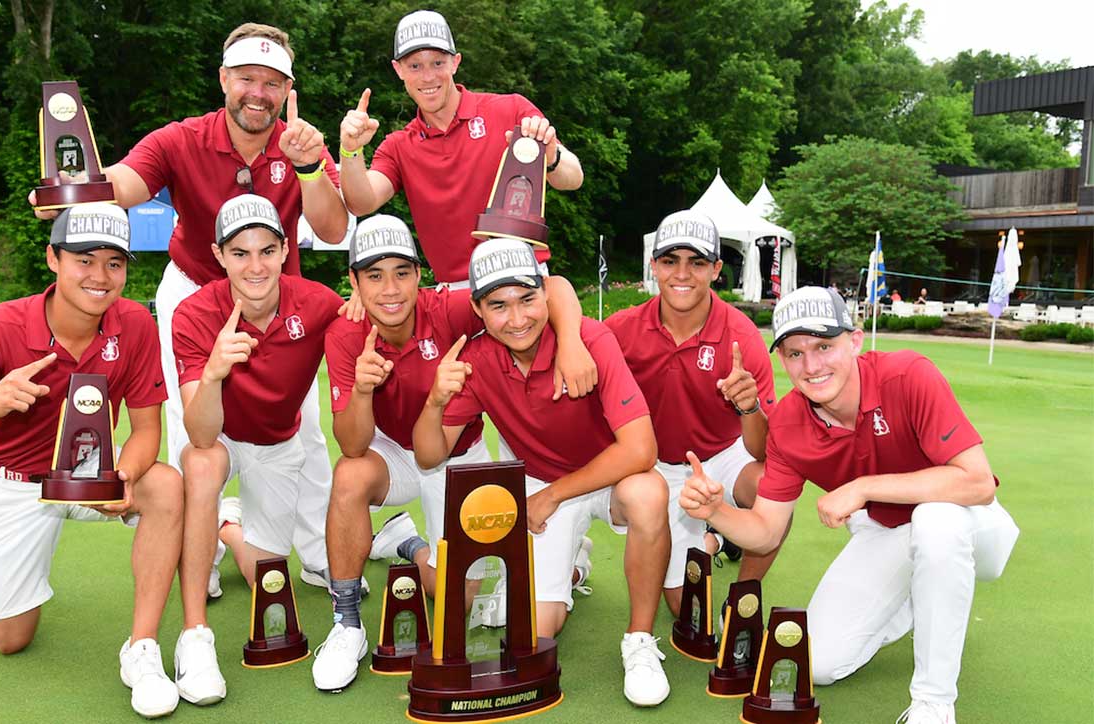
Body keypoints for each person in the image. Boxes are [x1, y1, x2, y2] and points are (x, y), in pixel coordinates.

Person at [27, 23, 347, 591]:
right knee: (189, 422)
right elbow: (125, 180)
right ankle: (202, 549)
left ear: (288, 89)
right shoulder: (181, 138)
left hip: (277, 290)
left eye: (273, 82)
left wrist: (310, 166)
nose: (259, 92)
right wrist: (73, 191)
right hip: (196, 288)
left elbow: (331, 225)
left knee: (306, 428)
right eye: (248, 77)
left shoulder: (301, 144)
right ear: (225, 80)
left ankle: (319, 555)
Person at [679, 286, 1019, 724]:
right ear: (781, 360)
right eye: (795, 353)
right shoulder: (787, 422)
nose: (812, 365)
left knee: (937, 521)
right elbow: (764, 531)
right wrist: (715, 512)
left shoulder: (908, 374)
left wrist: (862, 488)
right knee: (819, 662)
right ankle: (924, 595)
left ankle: (933, 703)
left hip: (971, 523)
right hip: (887, 531)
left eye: (824, 346)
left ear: (855, 340)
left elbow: (977, 482)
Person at [0, 203, 186, 717]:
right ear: (52, 259)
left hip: (91, 477)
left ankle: (142, 648)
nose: (101, 276)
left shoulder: (134, 323)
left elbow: (147, 429)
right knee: (11, 639)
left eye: (114, 262)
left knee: (166, 485)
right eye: (84, 259)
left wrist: (123, 476)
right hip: (12, 482)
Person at [312, 215, 597, 692]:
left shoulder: (447, 309)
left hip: (456, 455)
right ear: (354, 282)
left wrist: (569, 340)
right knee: (349, 474)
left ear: (419, 274)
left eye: (401, 272)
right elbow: (354, 444)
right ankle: (346, 623)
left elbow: (554, 285)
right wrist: (362, 391)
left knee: (457, 600)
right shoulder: (345, 333)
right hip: (391, 453)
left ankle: (410, 543)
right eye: (374, 276)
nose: (390, 289)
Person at [414, 238, 672, 707]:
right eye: (499, 305)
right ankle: (573, 563)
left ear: (545, 296)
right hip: (542, 486)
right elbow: (430, 455)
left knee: (649, 493)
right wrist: (434, 401)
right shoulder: (474, 360)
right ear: (477, 308)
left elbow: (640, 448)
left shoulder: (589, 338)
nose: (517, 318)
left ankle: (639, 640)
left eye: (528, 299)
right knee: (530, 633)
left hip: (604, 479)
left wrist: (554, 496)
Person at [171, 195, 345, 700]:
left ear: (285, 250)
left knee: (272, 582)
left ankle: (227, 528)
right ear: (218, 255)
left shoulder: (316, 302)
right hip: (219, 434)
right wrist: (214, 371)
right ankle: (195, 636)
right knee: (202, 463)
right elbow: (200, 432)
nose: (255, 265)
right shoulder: (193, 313)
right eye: (240, 253)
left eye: (267, 250)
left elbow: (361, 318)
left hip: (277, 442)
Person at [605, 210, 781, 618]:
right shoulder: (620, 329)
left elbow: (763, 452)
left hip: (723, 453)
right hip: (657, 466)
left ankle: (742, 600)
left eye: (697, 262)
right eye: (670, 261)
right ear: (653, 265)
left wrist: (749, 406)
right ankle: (719, 535)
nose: (682, 274)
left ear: (716, 269)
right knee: (685, 609)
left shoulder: (742, 336)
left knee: (773, 485)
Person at [336, 10, 584, 286]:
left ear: (455, 63)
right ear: (398, 70)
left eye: (438, 63)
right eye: (415, 66)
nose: (428, 77)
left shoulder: (510, 109)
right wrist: (350, 151)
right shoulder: (398, 145)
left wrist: (551, 157)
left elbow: (573, 178)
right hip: (454, 294)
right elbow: (361, 202)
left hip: (523, 278)